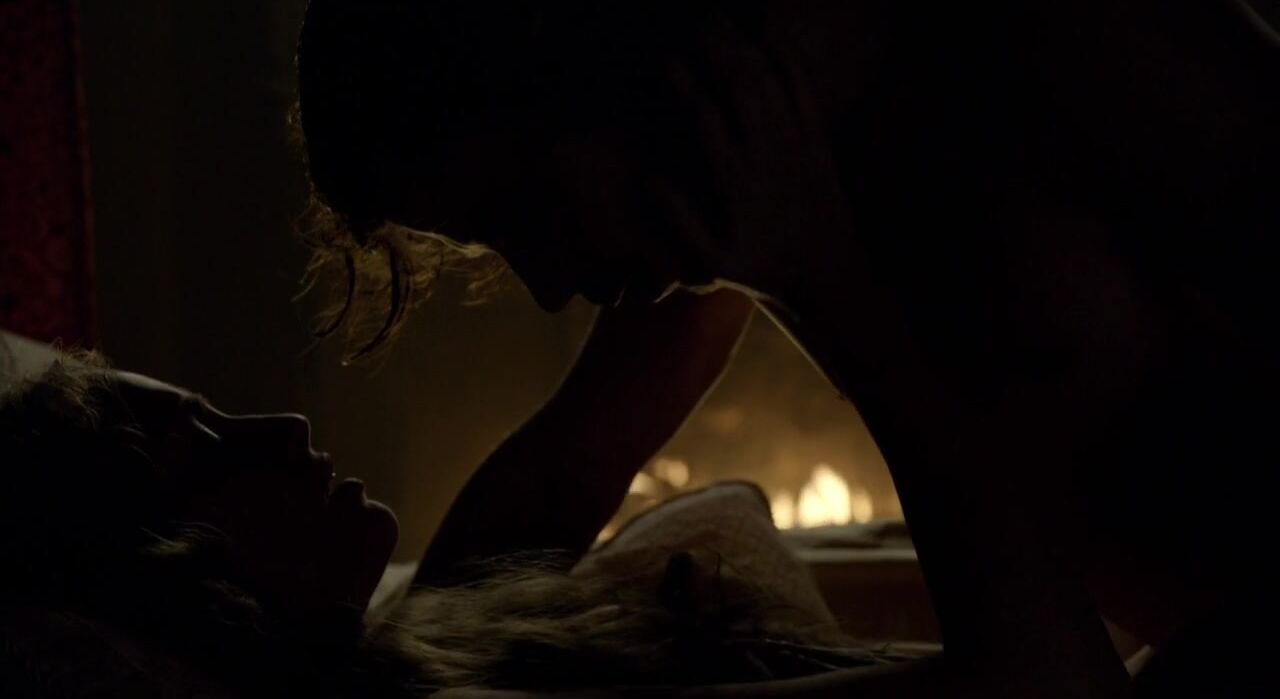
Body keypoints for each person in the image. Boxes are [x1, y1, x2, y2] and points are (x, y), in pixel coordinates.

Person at [294, 1, 1279, 696]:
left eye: (521, 208)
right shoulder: (725, 186)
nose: (548, 284)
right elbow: (564, 471)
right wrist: (389, 669)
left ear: (570, 68)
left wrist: (822, 269)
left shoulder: (1037, 44)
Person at [0, 354, 889, 698]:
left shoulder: (414, 634)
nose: (286, 427)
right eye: (205, 446)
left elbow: (576, 452)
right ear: (175, 577)